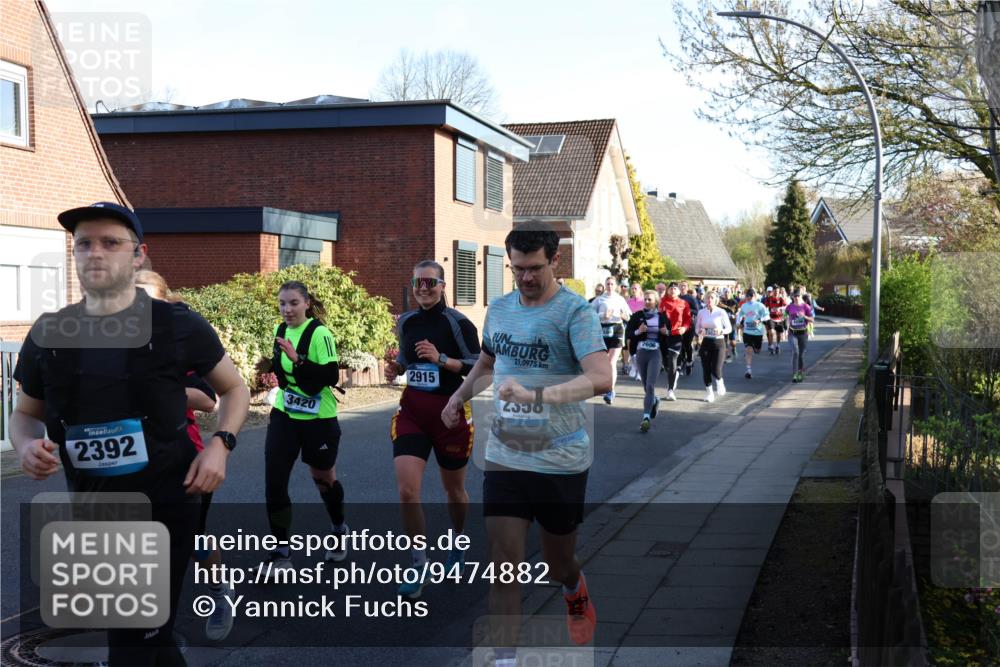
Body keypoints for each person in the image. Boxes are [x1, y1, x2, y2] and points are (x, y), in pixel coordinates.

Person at [11, 202, 250, 665]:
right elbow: (24, 415)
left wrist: (221, 446)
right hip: (94, 506)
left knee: (134, 640)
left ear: (139, 255)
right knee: (140, 640)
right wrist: (25, 446)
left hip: (168, 499)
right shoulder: (48, 333)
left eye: (111, 243)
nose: (95, 253)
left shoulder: (177, 324)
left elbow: (234, 389)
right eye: (84, 244)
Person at [442, 224, 611, 663]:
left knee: (557, 564)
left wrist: (538, 396)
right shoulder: (499, 310)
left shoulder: (576, 313)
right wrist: (458, 397)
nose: (526, 278)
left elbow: (601, 377)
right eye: (517, 269)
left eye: (534, 268)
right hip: (505, 455)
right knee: (503, 561)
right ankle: (505, 659)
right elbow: (486, 363)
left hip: (560, 458)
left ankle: (574, 589)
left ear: (555, 261)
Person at [135, 269, 234, 641]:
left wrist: (159, 392)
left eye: (147, 298)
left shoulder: (180, 338)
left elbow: (209, 399)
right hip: (130, 461)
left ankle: (219, 594)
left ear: (164, 301)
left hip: (183, 457)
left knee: (192, 540)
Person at [389, 260, 480, 598]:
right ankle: (419, 563)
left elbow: (479, 368)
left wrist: (442, 359)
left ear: (443, 286)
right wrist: (395, 366)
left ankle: (457, 544)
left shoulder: (458, 323)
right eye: (418, 283)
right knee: (407, 491)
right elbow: (406, 359)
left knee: (453, 490)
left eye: (430, 283)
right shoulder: (408, 321)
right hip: (413, 411)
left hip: (451, 412)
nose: (423, 289)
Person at [258, 281, 348, 576]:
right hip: (285, 413)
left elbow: (328, 376)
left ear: (307, 303)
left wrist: (298, 360)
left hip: (318, 418)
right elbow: (282, 369)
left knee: (323, 479)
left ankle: (338, 527)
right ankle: (281, 551)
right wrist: (268, 365)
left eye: (293, 303)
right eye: (282, 303)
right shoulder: (280, 330)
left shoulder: (319, 334)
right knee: (274, 481)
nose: (287, 309)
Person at [625, 290, 669, 432]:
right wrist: (639, 331)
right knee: (646, 387)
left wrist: (666, 332)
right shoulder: (637, 316)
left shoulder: (662, 317)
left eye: (650, 299)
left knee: (650, 385)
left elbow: (670, 334)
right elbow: (629, 334)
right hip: (641, 353)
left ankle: (646, 418)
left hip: (655, 353)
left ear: (656, 301)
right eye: (646, 299)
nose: (647, 302)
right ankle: (654, 400)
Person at [591, 275, 630, 404]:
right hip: (602, 330)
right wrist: (602, 316)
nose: (609, 286)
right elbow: (589, 316)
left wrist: (624, 315)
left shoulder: (620, 299)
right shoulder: (599, 300)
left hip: (617, 329)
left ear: (616, 286)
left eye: (612, 284)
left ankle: (610, 391)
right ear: (604, 285)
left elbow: (629, 315)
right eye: (607, 284)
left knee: (612, 362)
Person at [695, 291, 732, 403]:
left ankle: (720, 381)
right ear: (705, 300)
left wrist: (721, 330)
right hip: (706, 342)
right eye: (707, 298)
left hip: (718, 342)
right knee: (706, 369)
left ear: (716, 300)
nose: (709, 300)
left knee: (716, 370)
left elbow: (729, 328)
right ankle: (709, 393)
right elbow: (697, 328)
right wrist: (700, 331)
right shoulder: (701, 312)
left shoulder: (721, 312)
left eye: (712, 298)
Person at [657, 282, 691, 401]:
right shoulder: (663, 302)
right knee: (666, 364)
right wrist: (661, 327)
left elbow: (688, 319)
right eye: (671, 288)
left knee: (672, 361)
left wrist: (684, 328)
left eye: (675, 288)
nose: (673, 290)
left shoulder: (684, 303)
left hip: (676, 335)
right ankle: (674, 374)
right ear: (668, 290)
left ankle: (670, 390)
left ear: (679, 291)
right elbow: (660, 316)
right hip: (664, 335)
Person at [736, 288, 769, 380]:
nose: (748, 298)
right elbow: (740, 314)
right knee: (748, 350)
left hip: (758, 332)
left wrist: (759, 320)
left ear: (754, 296)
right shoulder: (744, 305)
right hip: (747, 331)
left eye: (750, 296)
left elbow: (767, 315)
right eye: (747, 296)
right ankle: (748, 371)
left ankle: (756, 348)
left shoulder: (760, 305)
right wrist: (738, 322)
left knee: (757, 350)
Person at [785, 290, 815, 383]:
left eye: (798, 296)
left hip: (803, 333)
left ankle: (800, 373)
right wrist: (786, 324)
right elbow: (785, 316)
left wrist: (804, 317)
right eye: (795, 296)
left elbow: (812, 319)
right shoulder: (790, 306)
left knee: (801, 355)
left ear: (801, 296)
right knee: (795, 352)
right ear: (792, 297)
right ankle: (794, 374)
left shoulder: (806, 306)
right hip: (792, 332)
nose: (796, 298)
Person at [677, 280, 700, 375]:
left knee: (687, 344)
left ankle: (689, 361)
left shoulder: (691, 298)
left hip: (689, 324)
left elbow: (696, 311)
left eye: (684, 286)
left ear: (687, 288)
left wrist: (686, 309)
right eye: (681, 286)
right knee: (679, 344)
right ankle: (681, 363)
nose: (682, 288)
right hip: (677, 324)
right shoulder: (675, 297)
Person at [623, 283, 645, 379]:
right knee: (629, 344)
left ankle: (640, 370)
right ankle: (633, 364)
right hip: (631, 324)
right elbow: (625, 313)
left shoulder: (645, 301)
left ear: (640, 290)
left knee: (640, 348)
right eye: (632, 288)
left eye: (636, 288)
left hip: (641, 325)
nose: (634, 290)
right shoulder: (628, 301)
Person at [719, 287, 740, 363]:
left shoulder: (734, 302)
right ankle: (727, 356)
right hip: (723, 325)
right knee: (724, 342)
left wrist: (738, 320)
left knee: (732, 342)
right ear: (723, 293)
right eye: (725, 292)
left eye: (728, 292)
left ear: (730, 293)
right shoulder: (720, 302)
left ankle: (734, 348)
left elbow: (737, 311)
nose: (726, 294)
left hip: (732, 323)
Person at [763, 286, 786, 355]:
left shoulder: (781, 299)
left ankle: (778, 345)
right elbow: (765, 307)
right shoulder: (769, 299)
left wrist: (780, 308)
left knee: (778, 334)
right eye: (775, 291)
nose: (776, 293)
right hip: (771, 318)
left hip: (779, 319)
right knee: (771, 332)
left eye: (777, 291)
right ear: (773, 291)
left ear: (779, 292)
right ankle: (772, 345)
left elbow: (785, 306)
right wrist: (765, 313)